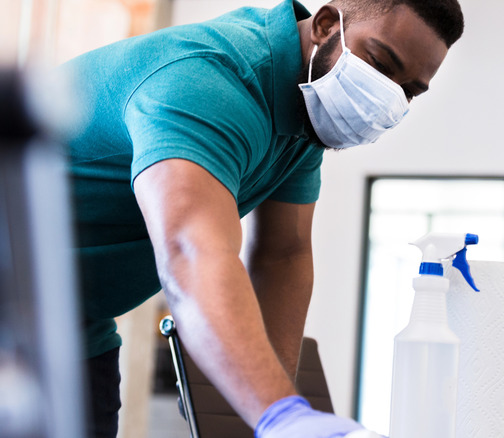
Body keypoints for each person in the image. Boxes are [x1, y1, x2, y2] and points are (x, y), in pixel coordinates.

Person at [62, 0, 464, 436]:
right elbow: (191, 250)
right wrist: (281, 415)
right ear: (327, 25)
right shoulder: (207, 81)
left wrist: (274, 413)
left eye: (408, 91)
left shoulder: (303, 115)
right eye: (381, 63)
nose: (388, 95)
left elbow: (283, 256)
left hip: (76, 328)